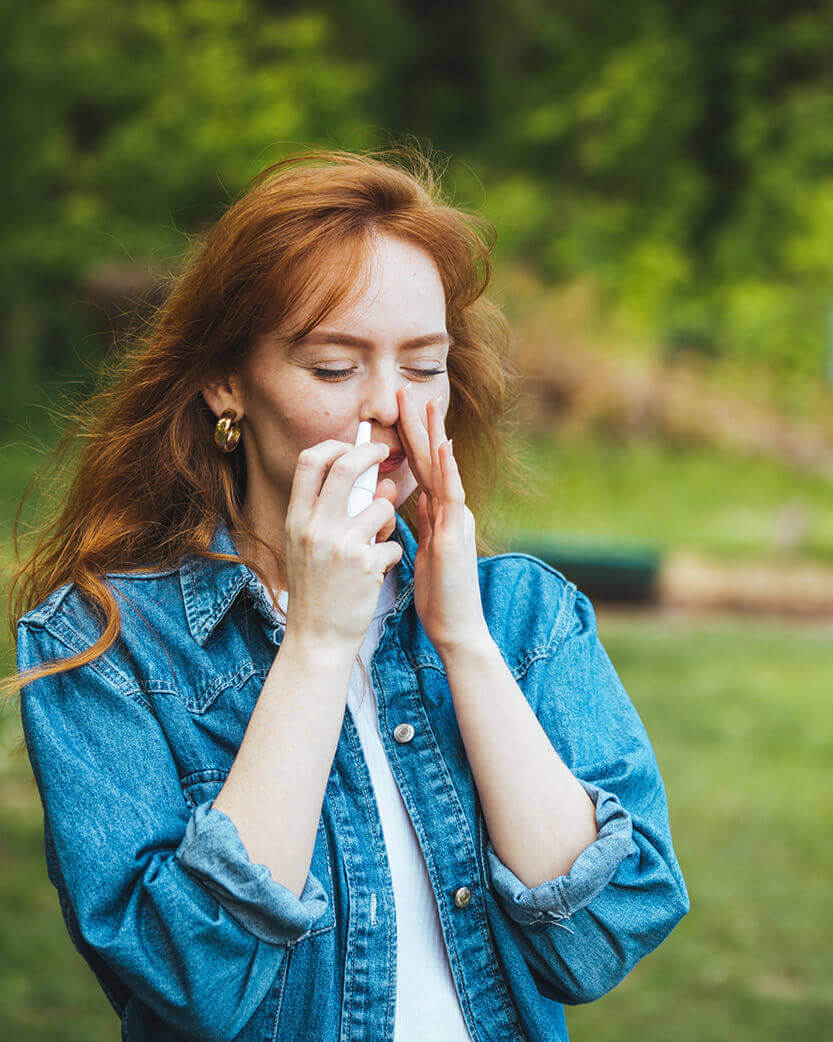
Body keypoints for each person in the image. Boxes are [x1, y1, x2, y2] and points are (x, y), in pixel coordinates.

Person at [7, 146, 689, 1042]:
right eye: (333, 368)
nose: (387, 406)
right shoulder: (104, 642)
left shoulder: (525, 616)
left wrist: (466, 645)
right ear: (226, 382)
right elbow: (192, 982)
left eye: (423, 365)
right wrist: (318, 646)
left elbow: (602, 938)